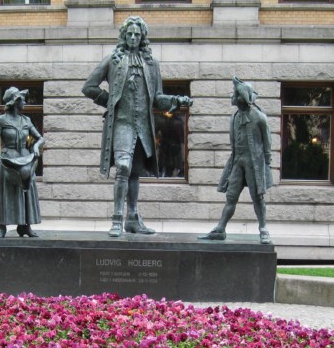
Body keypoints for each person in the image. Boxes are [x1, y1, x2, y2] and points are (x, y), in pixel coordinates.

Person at [83, 16, 192, 237]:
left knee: (134, 173)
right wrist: (110, 100)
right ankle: (116, 219)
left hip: (143, 127)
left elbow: (157, 99)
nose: (133, 37)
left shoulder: (151, 65)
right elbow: (89, 87)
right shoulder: (113, 60)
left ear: (142, 37)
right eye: (129, 34)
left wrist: (177, 101)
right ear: (123, 36)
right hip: (122, 124)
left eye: (137, 34)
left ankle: (132, 219)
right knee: (123, 167)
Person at [199, 77, 274, 244]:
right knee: (231, 197)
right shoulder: (233, 118)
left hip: (254, 164)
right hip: (237, 162)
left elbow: (268, 143)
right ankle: (220, 229)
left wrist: (266, 166)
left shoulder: (260, 118)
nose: (233, 97)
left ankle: (263, 229)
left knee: (258, 197)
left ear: (244, 97)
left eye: (236, 94)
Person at [0, 87, 45, 238]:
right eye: (22, 99)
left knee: (24, 192)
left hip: (25, 160)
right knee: (5, 194)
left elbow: (39, 138)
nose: (24, 102)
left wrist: (36, 147)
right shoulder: (2, 119)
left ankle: (24, 226)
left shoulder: (26, 120)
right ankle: (2, 227)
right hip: (7, 161)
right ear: (15, 102)